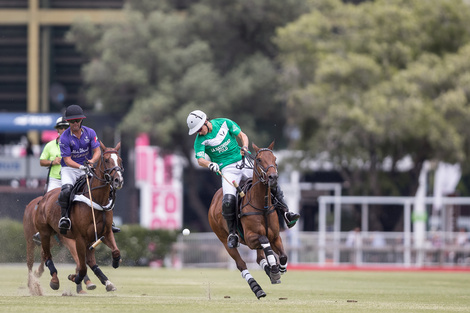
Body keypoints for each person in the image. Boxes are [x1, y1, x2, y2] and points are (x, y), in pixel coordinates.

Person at [187, 109, 300, 249]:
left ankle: (286, 213)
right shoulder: (200, 140)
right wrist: (210, 164)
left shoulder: (224, 123)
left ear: (205, 121)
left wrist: (245, 147)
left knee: (269, 180)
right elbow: (199, 159)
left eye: (199, 129)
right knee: (228, 201)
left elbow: (242, 135)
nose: (199, 132)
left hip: (243, 162)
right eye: (196, 131)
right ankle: (233, 233)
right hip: (227, 170)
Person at [58, 104, 117, 234]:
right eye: (72, 121)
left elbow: (97, 151)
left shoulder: (90, 132)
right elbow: (67, 160)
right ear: (68, 122)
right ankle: (65, 217)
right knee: (66, 191)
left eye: (77, 120)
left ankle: (109, 219)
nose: (75, 123)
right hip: (70, 169)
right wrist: (80, 166)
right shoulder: (64, 138)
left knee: (107, 187)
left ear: (81, 120)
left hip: (88, 166)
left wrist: (91, 162)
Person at [40, 117, 69, 193]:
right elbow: (42, 162)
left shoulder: (75, 143)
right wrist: (52, 162)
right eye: (61, 128)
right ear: (57, 129)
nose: (63, 130)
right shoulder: (49, 145)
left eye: (65, 128)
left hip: (70, 178)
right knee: (48, 201)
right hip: (55, 180)